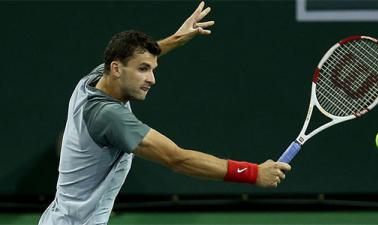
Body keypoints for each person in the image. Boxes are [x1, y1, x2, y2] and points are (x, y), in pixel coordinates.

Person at [38, 2, 291, 225]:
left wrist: (178, 38)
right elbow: (177, 159)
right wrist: (253, 173)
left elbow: (135, 57)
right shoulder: (109, 117)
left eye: (153, 68)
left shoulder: (92, 80)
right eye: (144, 69)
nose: (152, 79)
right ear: (116, 69)